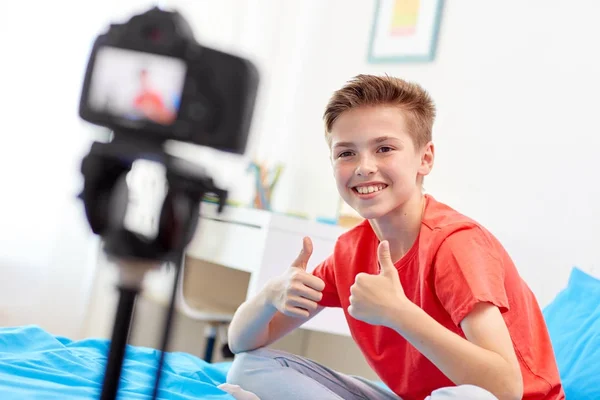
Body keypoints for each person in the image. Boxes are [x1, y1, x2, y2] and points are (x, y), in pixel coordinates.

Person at [221, 75, 565, 400]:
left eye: (384, 148)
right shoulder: (350, 252)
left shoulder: (456, 245)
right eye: (346, 153)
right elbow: (242, 342)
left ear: (424, 158)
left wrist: (399, 313)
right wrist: (270, 295)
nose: (364, 166)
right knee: (249, 367)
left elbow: (504, 388)